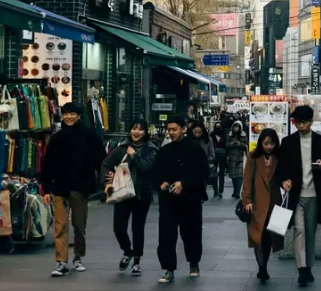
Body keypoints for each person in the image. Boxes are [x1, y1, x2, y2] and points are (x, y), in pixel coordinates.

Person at [41, 102, 106, 277]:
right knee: (60, 225)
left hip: (81, 187)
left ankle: (78, 257)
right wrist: (46, 189)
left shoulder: (89, 136)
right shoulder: (57, 138)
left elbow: (101, 159)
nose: (68, 117)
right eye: (65, 113)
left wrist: (106, 181)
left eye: (72, 113)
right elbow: (48, 164)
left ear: (78, 115)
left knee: (79, 224)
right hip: (60, 187)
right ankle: (61, 262)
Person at [277, 105, 321, 286]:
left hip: (316, 194)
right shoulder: (287, 142)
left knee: (311, 231)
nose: (301, 126)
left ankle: (308, 267)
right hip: (296, 194)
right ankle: (302, 268)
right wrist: (284, 181)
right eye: (297, 123)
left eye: (304, 122)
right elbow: (281, 169)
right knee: (299, 229)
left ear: (311, 121)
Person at [154, 116, 209, 283]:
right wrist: (160, 182)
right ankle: (168, 269)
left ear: (184, 129)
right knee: (166, 235)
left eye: (174, 129)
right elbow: (156, 171)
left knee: (191, 232)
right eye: (169, 130)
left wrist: (184, 183)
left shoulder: (195, 149)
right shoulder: (164, 151)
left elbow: (203, 174)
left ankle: (194, 263)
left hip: (190, 199)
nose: (171, 133)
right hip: (168, 201)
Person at [100, 122, 158, 276]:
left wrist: (134, 154)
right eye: (134, 128)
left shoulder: (151, 149)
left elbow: (146, 168)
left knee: (138, 229)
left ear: (145, 132)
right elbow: (106, 164)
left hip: (141, 194)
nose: (136, 132)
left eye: (140, 129)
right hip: (122, 192)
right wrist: (107, 181)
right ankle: (128, 251)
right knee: (118, 228)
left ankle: (137, 261)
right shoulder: (121, 148)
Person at [242, 128, 285, 283]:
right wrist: (247, 200)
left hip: (274, 201)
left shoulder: (279, 156)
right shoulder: (253, 156)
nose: (269, 146)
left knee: (269, 236)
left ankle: (264, 266)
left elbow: (282, 176)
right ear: (261, 142)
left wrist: (285, 183)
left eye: (272, 143)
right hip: (257, 201)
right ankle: (261, 267)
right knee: (257, 236)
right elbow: (247, 179)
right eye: (266, 143)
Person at [187, 121, 215, 201]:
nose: (197, 134)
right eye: (195, 132)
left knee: (202, 183)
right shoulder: (187, 140)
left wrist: (207, 160)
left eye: (199, 132)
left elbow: (212, 154)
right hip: (190, 167)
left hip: (203, 167)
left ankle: (200, 196)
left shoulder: (208, 140)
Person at [227, 121, 248, 198]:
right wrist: (232, 143)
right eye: (235, 126)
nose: (236, 128)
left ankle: (238, 192)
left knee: (240, 175)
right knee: (233, 176)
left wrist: (240, 144)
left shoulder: (244, 135)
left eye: (237, 127)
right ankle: (235, 190)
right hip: (232, 157)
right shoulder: (230, 135)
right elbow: (226, 144)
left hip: (241, 157)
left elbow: (247, 145)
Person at [210, 121, 228, 198]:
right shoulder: (212, 134)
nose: (218, 128)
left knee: (221, 174)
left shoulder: (224, 135)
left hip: (222, 156)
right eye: (216, 126)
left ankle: (220, 190)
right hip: (214, 155)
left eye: (219, 126)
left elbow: (226, 145)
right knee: (213, 173)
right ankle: (215, 190)